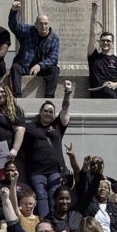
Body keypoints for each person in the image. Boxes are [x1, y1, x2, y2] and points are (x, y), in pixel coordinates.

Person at [19, 81, 73, 217]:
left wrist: (67, 93)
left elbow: (65, 109)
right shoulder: (31, 127)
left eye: (50, 112)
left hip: (55, 170)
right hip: (37, 171)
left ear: (54, 114)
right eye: (45, 111)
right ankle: (45, 224)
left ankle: (55, 224)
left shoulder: (57, 126)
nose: (48, 113)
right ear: (40, 112)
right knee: (41, 197)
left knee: (54, 195)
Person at [8, 2, 60, 98]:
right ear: (35, 24)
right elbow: (13, 26)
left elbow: (53, 58)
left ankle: (49, 96)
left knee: (55, 69)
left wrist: (40, 66)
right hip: (25, 65)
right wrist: (13, 11)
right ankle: (17, 96)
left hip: (42, 68)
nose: (43, 26)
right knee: (15, 67)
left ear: (49, 24)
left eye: (46, 24)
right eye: (40, 24)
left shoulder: (54, 38)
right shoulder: (28, 31)